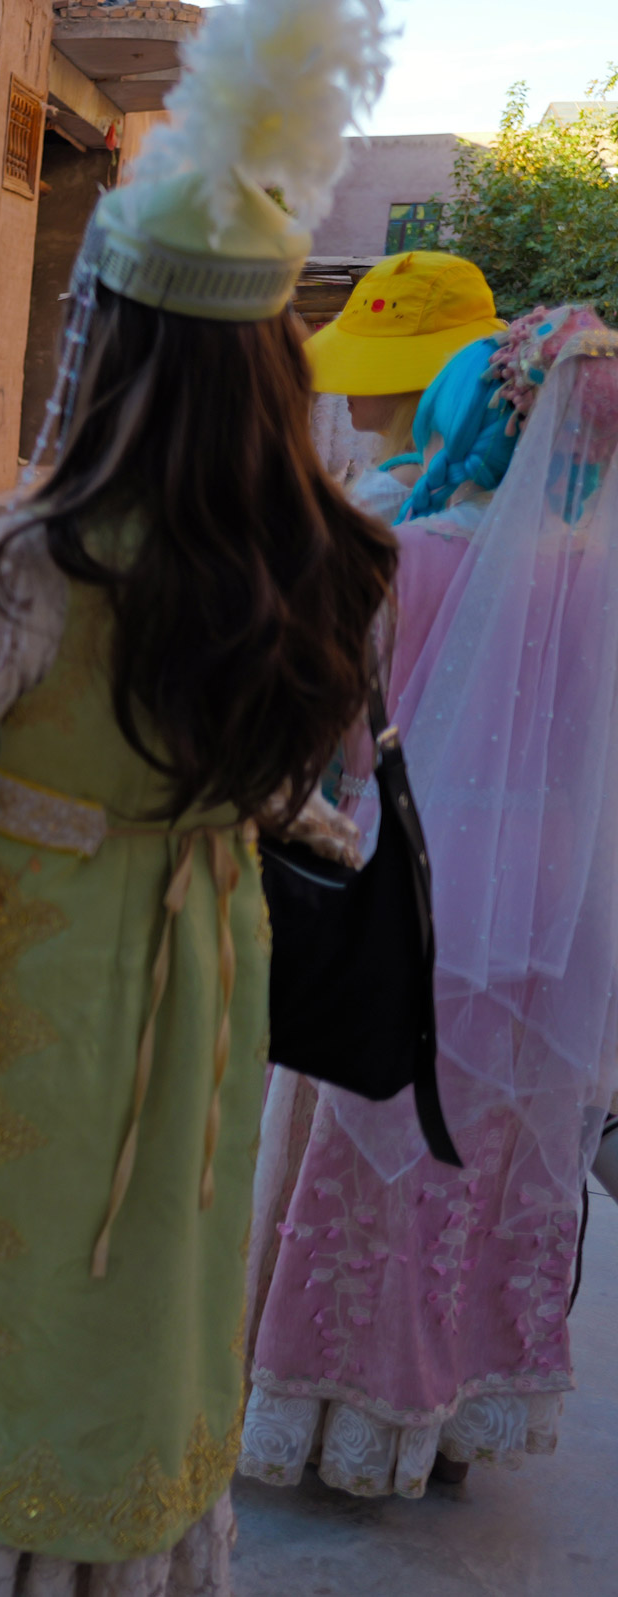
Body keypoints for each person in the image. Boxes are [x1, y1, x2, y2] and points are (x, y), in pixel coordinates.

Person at [0, 0, 395, 1587]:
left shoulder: (48, 563)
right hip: (210, 957)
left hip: (41, 959)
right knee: (159, 1255)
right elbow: (286, 781)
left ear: (116, 344)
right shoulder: (324, 559)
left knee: (20, 1254)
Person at [239, 311, 618, 1499]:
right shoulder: (599, 577)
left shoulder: (410, 553)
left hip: (415, 884)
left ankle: (335, 1409)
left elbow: (346, 741)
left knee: (380, 1150)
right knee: (492, 1158)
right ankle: (453, 1415)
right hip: (552, 910)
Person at [303, 251, 505, 522]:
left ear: (407, 383)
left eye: (362, 365)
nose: (347, 384)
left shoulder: (385, 494)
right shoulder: (483, 471)